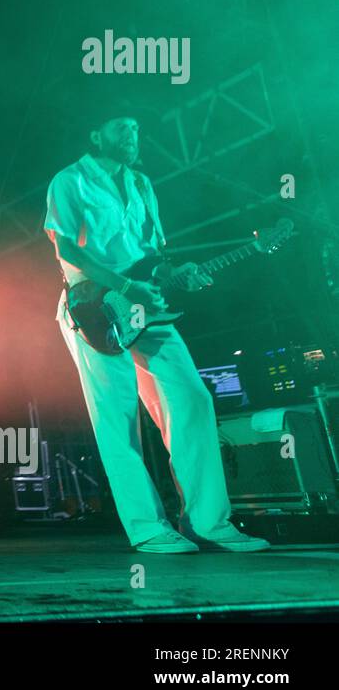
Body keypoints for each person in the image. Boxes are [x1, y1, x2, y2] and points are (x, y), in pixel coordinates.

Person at [44, 108, 269, 553]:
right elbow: (65, 245)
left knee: (192, 397)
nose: (132, 134)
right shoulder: (69, 181)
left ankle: (208, 522)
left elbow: (153, 253)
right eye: (121, 126)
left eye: (136, 128)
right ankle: (147, 528)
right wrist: (127, 285)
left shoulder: (143, 184)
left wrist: (175, 271)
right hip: (94, 308)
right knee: (117, 418)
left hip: (147, 308)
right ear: (96, 132)